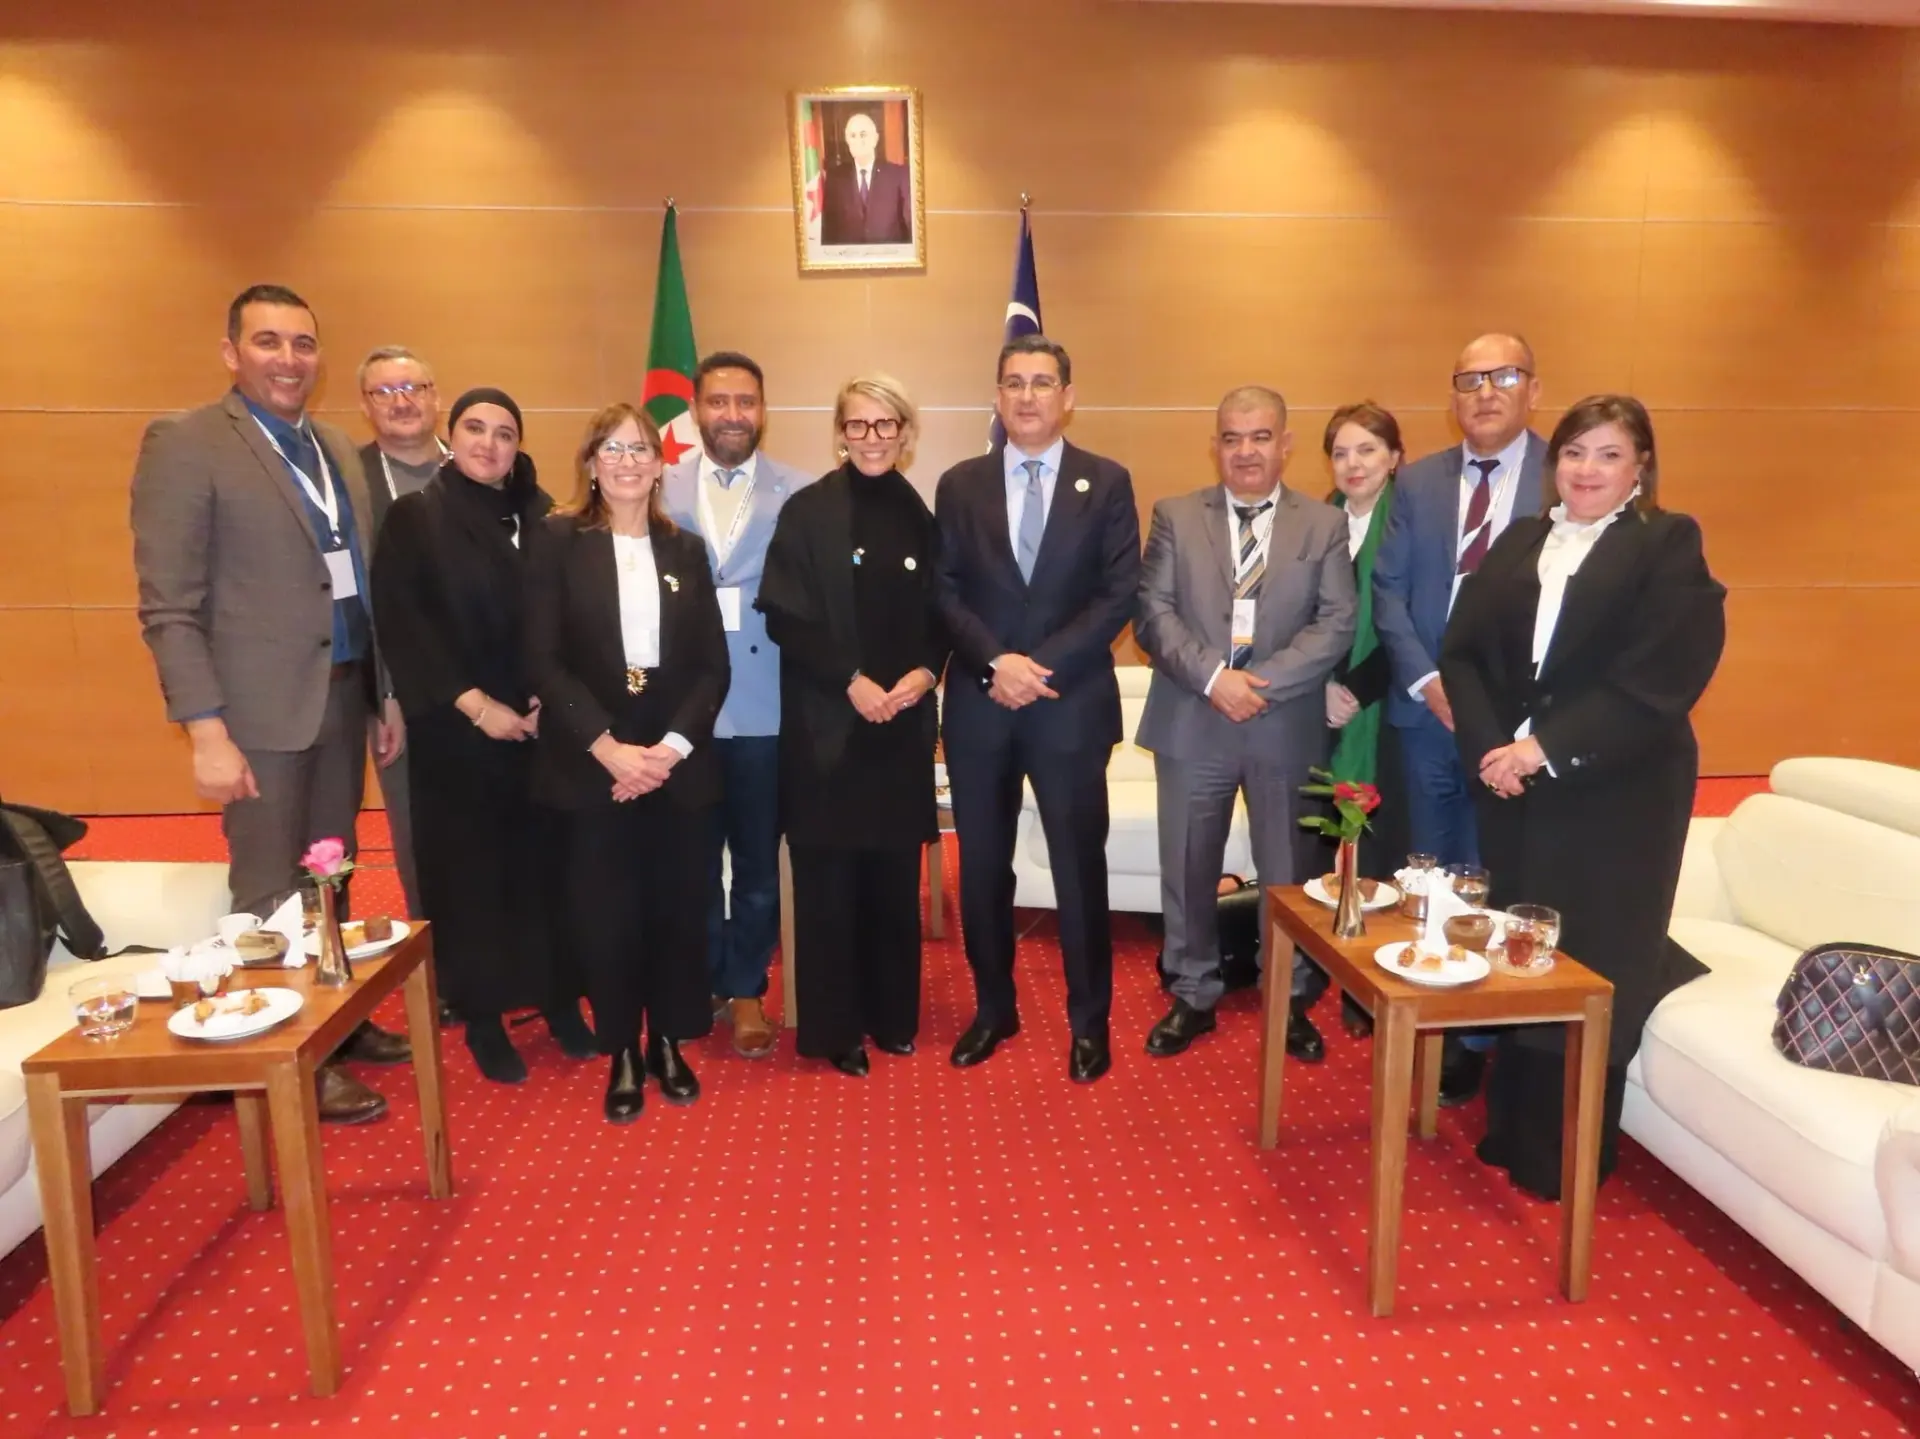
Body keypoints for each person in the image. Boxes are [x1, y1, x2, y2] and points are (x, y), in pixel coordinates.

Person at [131, 283, 406, 1125]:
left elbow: (360, 582)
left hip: (342, 694)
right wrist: (205, 730)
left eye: (302, 344)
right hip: (254, 713)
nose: (288, 359)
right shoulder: (186, 444)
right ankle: (283, 1052)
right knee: (267, 887)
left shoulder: (333, 446)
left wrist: (382, 693)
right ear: (231, 352)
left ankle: (334, 1018)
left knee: (331, 868)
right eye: (268, 341)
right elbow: (168, 606)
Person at [1440, 394, 1725, 1200]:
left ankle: (1564, 1157)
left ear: (1640, 468)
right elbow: (1462, 653)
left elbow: (1662, 673)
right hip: (1518, 790)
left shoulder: (1667, 542)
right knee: (1525, 954)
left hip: (1617, 797)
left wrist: (1545, 748)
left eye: (1608, 454)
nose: (1587, 469)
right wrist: (1492, 751)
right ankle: (1512, 1128)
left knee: (1591, 961)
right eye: (1573, 451)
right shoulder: (1523, 539)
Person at [370, 387, 595, 1084]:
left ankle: (560, 1001)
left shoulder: (545, 512)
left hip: (542, 728)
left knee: (550, 872)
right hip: (459, 731)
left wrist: (549, 696)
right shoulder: (417, 517)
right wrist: (477, 707)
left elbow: (573, 613)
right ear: (452, 434)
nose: (489, 444)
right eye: (475, 428)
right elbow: (404, 626)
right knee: (473, 879)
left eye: (504, 432)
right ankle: (485, 1019)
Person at [933, 334, 1141, 1084]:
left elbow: (1118, 593)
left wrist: (1036, 667)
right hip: (981, 705)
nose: (1027, 396)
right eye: (1014, 382)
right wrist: (997, 662)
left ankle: (1090, 1023)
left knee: (1079, 869)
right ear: (997, 397)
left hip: (1068, 705)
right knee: (983, 870)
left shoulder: (1106, 481)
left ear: (1067, 397)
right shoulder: (959, 484)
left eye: (1042, 382)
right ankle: (994, 1009)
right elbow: (943, 590)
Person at [1134, 387, 1356, 1061]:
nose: (1246, 451)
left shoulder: (1324, 524)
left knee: (1288, 871)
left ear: (1285, 443)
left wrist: (1261, 684)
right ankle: (1193, 992)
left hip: (1282, 723)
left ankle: (1288, 997)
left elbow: (1336, 622)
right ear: (1216, 446)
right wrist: (1214, 678)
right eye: (1232, 438)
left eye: (1260, 437)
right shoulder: (1176, 514)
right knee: (1187, 865)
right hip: (1193, 716)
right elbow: (1152, 612)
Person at [526, 403, 729, 1124]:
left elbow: (711, 666)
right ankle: (622, 1051)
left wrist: (669, 751)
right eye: (611, 448)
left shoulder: (686, 549)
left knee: (675, 909)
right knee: (606, 914)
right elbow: (542, 659)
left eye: (640, 448)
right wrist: (609, 749)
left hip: (674, 763)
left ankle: (669, 1040)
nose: (626, 461)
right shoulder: (555, 541)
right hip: (591, 762)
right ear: (590, 461)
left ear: (659, 463)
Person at [1372, 333, 1547, 1105]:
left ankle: (1479, 1037)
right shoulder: (1417, 482)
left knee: (1493, 873)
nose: (1485, 391)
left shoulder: (1565, 475)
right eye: (1470, 379)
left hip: (1513, 722)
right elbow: (1387, 591)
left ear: (1532, 389)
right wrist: (1426, 679)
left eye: (1502, 376)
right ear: (1453, 396)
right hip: (1426, 710)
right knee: (1429, 870)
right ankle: (1430, 1013)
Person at [757, 376, 947, 1076]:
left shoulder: (920, 515)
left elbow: (944, 612)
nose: (872, 437)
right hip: (828, 731)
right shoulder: (808, 511)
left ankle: (891, 1017)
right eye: (858, 425)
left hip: (900, 727)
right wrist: (851, 681)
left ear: (905, 433)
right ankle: (835, 1030)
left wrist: (927, 671)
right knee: (829, 889)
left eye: (885, 424)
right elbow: (785, 616)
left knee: (893, 882)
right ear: (840, 433)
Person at [662, 352, 813, 1059]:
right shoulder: (656, 485)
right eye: (718, 401)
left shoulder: (801, 492)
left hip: (765, 706)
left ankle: (747, 985)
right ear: (695, 409)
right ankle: (703, 979)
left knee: (756, 862)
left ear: (763, 410)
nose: (732, 414)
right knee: (691, 863)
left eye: (745, 402)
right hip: (681, 711)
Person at [1321, 402, 1411, 1039]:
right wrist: (1323, 686)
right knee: (1326, 845)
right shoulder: (1318, 521)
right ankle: (1331, 966)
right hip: (1320, 702)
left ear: (1395, 458)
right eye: (1341, 452)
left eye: (1367, 450)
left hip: (1390, 708)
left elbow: (1414, 619)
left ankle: (1373, 984)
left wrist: (1355, 689)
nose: (1353, 464)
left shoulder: (1410, 524)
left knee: (1381, 848)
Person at [357, 345, 448, 924]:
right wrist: (380, 693)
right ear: (366, 406)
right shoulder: (350, 478)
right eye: (385, 391)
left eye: (413, 387)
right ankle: (433, 957)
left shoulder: (480, 462)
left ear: (436, 397)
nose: (402, 401)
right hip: (399, 693)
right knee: (419, 836)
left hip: (493, 693)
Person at [821, 111, 912, 245]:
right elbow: (829, 228)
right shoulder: (836, 178)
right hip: (849, 256)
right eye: (853, 136)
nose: (858, 140)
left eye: (863, 134)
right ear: (847, 141)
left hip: (888, 255)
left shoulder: (898, 175)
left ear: (875, 139)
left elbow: (908, 226)